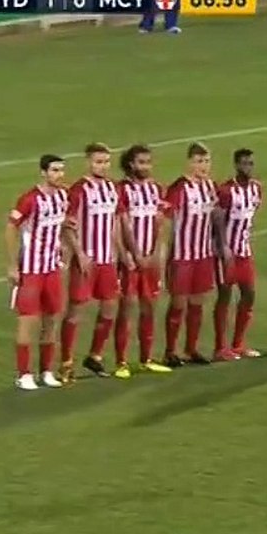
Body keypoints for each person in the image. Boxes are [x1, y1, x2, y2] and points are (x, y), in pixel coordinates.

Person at [60, 143, 126, 382]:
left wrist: (118, 253)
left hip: (107, 259)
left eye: (106, 161)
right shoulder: (79, 190)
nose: (103, 166)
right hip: (86, 260)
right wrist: (79, 253)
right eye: (98, 161)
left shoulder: (112, 188)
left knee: (109, 307)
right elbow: (67, 225)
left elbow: (115, 224)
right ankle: (66, 363)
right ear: (88, 162)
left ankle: (95, 356)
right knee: (76, 311)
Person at [5, 154, 70, 391]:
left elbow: (60, 226)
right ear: (43, 172)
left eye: (61, 170)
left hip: (52, 269)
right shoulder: (29, 199)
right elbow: (11, 227)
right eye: (54, 170)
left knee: (52, 320)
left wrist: (61, 246)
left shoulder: (63, 196)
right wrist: (12, 265)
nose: (59, 174)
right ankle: (23, 374)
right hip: (31, 271)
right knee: (28, 321)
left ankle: (46, 371)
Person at [114, 144, 172, 377]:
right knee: (126, 307)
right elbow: (120, 225)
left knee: (149, 307)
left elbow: (161, 222)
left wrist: (157, 253)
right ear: (130, 164)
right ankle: (121, 362)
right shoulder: (121, 190)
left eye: (148, 162)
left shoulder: (157, 189)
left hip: (149, 260)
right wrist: (130, 254)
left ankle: (146, 358)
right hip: (130, 259)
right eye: (141, 162)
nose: (145, 166)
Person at [163, 142, 219, 367]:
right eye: (199, 161)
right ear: (189, 163)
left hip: (203, 254)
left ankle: (191, 349)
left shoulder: (210, 187)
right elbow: (167, 221)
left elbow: (214, 219)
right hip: (182, 255)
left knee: (197, 303)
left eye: (206, 161)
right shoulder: (179, 187)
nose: (203, 166)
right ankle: (170, 351)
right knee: (178, 304)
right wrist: (164, 253)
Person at [213, 148, 264, 360]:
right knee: (224, 296)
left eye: (250, 163)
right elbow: (217, 219)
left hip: (244, 251)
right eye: (244, 163)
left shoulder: (256, 189)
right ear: (236, 165)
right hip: (227, 253)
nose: (248, 167)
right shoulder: (226, 190)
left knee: (249, 294)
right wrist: (223, 247)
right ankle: (220, 347)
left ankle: (238, 344)